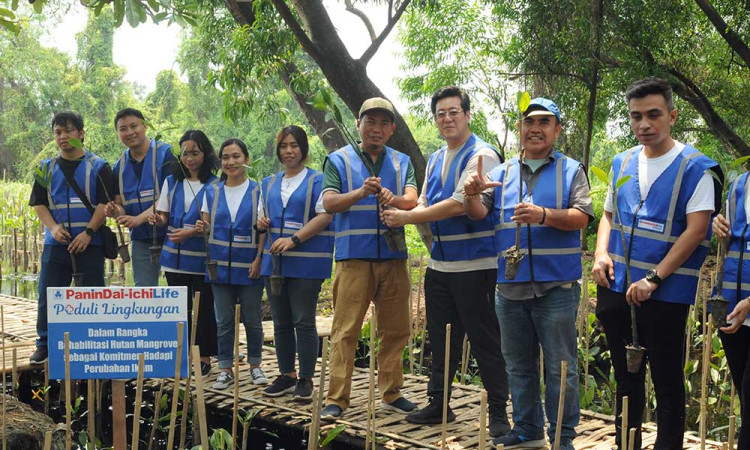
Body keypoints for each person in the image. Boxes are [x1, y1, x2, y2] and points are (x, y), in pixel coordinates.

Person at [592, 77, 721, 450]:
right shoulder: (623, 161)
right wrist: (601, 254)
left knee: (666, 382)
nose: (644, 125)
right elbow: (607, 215)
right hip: (617, 288)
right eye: (636, 117)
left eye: (653, 115)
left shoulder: (697, 168)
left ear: (672, 115)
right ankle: (625, 444)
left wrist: (653, 278)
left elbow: (697, 231)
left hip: (666, 294)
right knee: (625, 380)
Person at [381, 86, 510, 437]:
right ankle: (439, 403)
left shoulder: (483, 155)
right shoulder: (436, 158)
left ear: (467, 115)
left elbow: (457, 204)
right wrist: (399, 206)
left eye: (454, 111)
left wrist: (405, 219)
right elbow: (423, 202)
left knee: (485, 341)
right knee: (441, 340)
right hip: (440, 267)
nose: (447, 118)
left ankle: (499, 412)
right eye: (441, 113)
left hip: (476, 268)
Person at [464, 98, 593, 449]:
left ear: (557, 129)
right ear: (520, 128)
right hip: (509, 287)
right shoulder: (502, 173)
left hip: (557, 287)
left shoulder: (571, 170)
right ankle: (527, 429)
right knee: (518, 365)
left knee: (560, 368)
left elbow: (582, 216)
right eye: (529, 121)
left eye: (544, 122)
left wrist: (544, 215)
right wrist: (471, 195)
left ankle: (562, 437)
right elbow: (478, 213)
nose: (535, 128)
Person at [319, 97, 419, 419]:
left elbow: (413, 201)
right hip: (353, 260)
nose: (376, 129)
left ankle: (391, 394)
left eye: (383, 123)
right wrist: (361, 192)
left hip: (394, 258)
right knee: (345, 330)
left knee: (396, 329)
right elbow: (330, 203)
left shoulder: (402, 161)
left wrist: (396, 199)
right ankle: (337, 398)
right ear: (358, 125)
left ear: (392, 129)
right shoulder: (338, 159)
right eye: (370, 122)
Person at [29, 112, 115, 363]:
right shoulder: (44, 168)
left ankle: (94, 342)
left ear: (81, 133)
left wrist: (89, 232)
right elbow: (38, 203)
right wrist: (53, 228)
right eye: (57, 132)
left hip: (91, 244)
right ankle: (44, 344)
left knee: (92, 295)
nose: (63, 136)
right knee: (48, 294)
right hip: (56, 245)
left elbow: (103, 203)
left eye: (68, 131)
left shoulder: (98, 166)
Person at [256, 125, 334, 401]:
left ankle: (305, 379)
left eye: (294, 145)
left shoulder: (318, 180)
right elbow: (261, 219)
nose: (289, 151)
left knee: (303, 321)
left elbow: (325, 216)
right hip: (275, 265)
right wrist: (260, 223)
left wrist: (294, 240)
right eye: (284, 146)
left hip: (306, 263)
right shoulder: (267, 183)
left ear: (303, 149)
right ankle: (286, 375)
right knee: (280, 322)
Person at [195, 138, 268, 389]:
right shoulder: (212, 191)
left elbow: (263, 231)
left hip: (249, 266)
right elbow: (205, 226)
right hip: (218, 268)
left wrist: (259, 259)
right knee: (223, 320)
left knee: (252, 319)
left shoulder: (259, 191)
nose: (231, 162)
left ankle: (256, 366)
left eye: (236, 156)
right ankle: (225, 368)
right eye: (225, 157)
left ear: (246, 159)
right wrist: (201, 227)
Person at [148, 130, 220, 377]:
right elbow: (164, 216)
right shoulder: (172, 181)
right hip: (173, 259)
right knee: (179, 310)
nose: (190, 158)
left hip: (200, 260)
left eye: (195, 153)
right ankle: (179, 355)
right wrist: (156, 218)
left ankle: (204, 357)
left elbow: (209, 224)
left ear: (205, 154)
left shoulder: (214, 185)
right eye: (186, 153)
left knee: (204, 309)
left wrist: (191, 232)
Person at [105, 108, 176, 286]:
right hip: (142, 240)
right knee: (144, 293)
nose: (129, 132)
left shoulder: (166, 154)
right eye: (123, 129)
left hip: (174, 236)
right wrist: (115, 211)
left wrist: (138, 219)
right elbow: (120, 204)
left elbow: (170, 195)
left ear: (145, 126)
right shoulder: (119, 166)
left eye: (133, 126)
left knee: (180, 294)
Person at [713, 174, 750, 449]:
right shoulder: (738, 185)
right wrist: (718, 228)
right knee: (744, 396)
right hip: (732, 307)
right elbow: (728, 247)